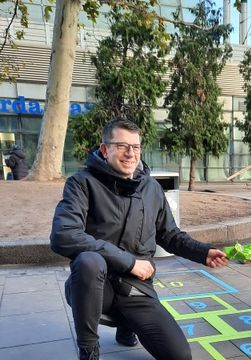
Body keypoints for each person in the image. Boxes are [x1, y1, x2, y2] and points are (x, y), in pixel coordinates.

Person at [50, 119, 229, 360]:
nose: (130, 153)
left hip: (136, 287)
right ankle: (89, 350)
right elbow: (63, 235)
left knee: (180, 355)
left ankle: (128, 325)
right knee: (89, 261)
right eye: (122, 146)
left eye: (136, 147)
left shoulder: (151, 188)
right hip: (94, 286)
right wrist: (130, 262)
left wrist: (203, 252)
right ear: (105, 149)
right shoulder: (81, 183)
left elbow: (170, 235)